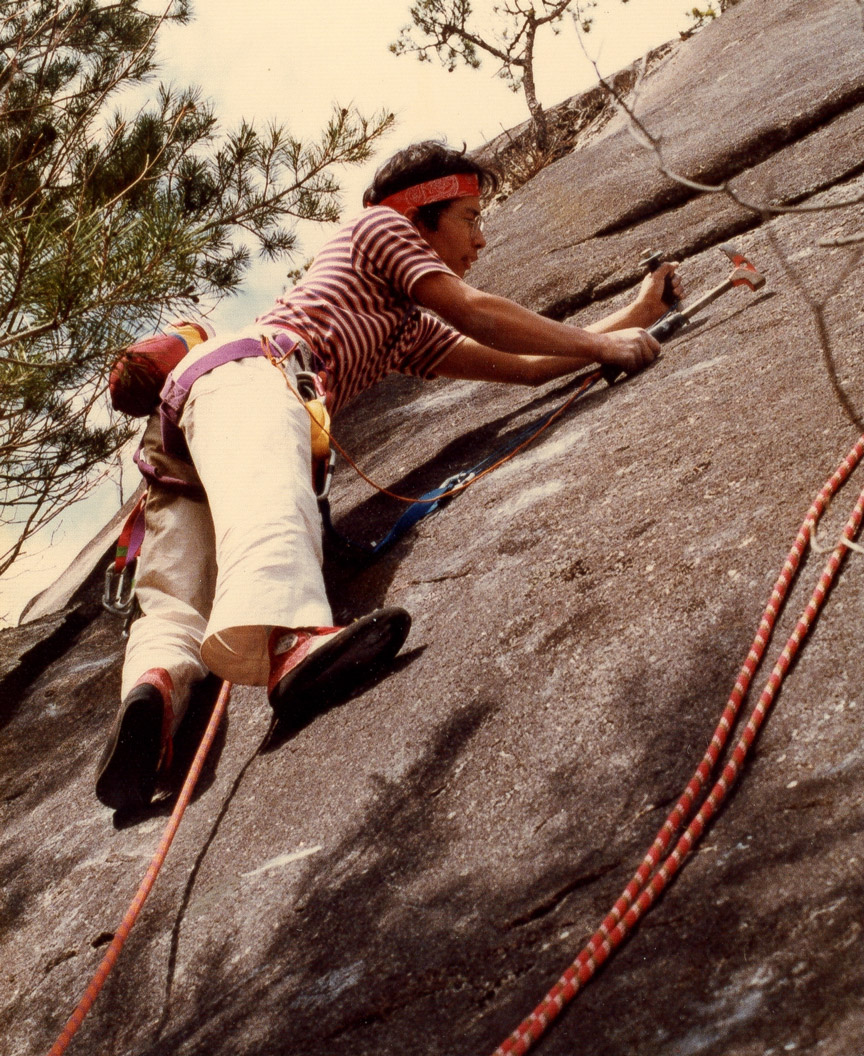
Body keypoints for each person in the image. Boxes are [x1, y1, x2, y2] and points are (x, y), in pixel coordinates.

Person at [95, 140, 680, 812]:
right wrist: (607, 344)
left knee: (175, 596)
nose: (481, 239)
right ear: (418, 215)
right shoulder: (380, 227)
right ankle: (292, 645)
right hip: (251, 378)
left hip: (189, 424)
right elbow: (476, 311)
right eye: (468, 218)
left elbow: (519, 362)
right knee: (271, 503)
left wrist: (634, 317)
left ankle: (156, 688)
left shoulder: (401, 328)